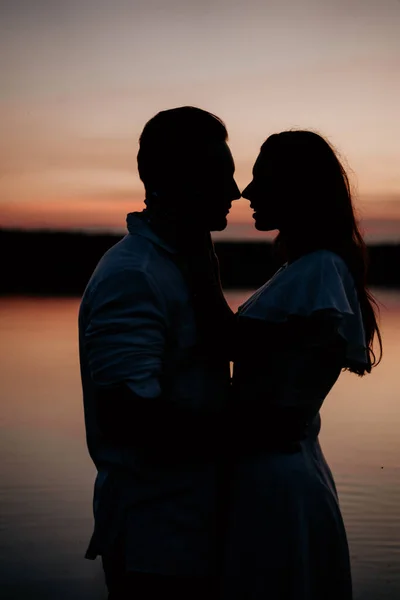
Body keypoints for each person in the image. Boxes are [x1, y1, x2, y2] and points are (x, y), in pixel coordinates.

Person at [78, 106, 241, 599]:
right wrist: (254, 429)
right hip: (158, 541)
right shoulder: (135, 275)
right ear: (179, 179)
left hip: (192, 531)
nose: (235, 192)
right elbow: (128, 417)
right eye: (222, 175)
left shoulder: (183, 266)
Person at [222, 130, 382, 600]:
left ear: (298, 190)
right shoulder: (303, 271)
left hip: (277, 479)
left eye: (261, 179)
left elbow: (275, 383)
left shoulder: (319, 271)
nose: (247, 192)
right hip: (277, 472)